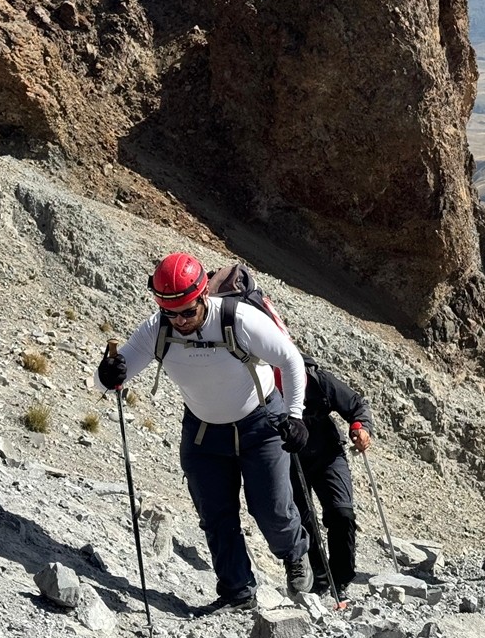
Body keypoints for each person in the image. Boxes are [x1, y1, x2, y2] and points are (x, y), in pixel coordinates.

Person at [96, 252, 314, 612]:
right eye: (171, 313)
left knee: (271, 509)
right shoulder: (157, 329)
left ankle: (293, 552)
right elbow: (110, 379)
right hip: (203, 434)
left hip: (260, 423)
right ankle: (237, 592)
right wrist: (106, 376)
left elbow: (289, 359)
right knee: (216, 515)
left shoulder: (239, 319)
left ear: (203, 298)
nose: (179, 321)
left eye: (187, 312)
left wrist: (295, 415)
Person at [290, 356, 374, 600]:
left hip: (328, 452)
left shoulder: (317, 378)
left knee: (342, 514)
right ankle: (319, 579)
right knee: (304, 521)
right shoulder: (261, 382)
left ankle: (341, 579)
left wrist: (360, 427)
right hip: (288, 459)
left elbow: (356, 406)